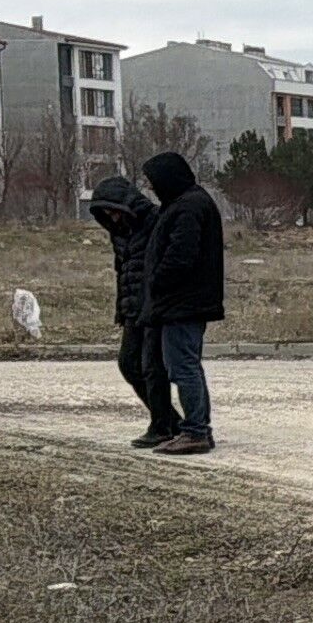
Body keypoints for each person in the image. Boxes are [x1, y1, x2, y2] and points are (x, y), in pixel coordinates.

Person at [138, 151, 223, 456]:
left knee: (183, 367)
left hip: (183, 303)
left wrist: (157, 281)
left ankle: (195, 432)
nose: (150, 187)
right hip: (184, 302)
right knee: (187, 366)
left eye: (153, 181)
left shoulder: (188, 207)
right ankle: (198, 429)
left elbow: (180, 256)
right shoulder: (187, 202)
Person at [86, 174, 178, 447]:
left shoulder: (155, 221)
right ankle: (170, 421)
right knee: (128, 364)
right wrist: (122, 309)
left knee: (152, 367)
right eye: (106, 213)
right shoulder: (119, 232)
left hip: (156, 305)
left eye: (113, 210)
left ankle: (162, 426)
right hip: (133, 309)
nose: (111, 217)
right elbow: (123, 271)